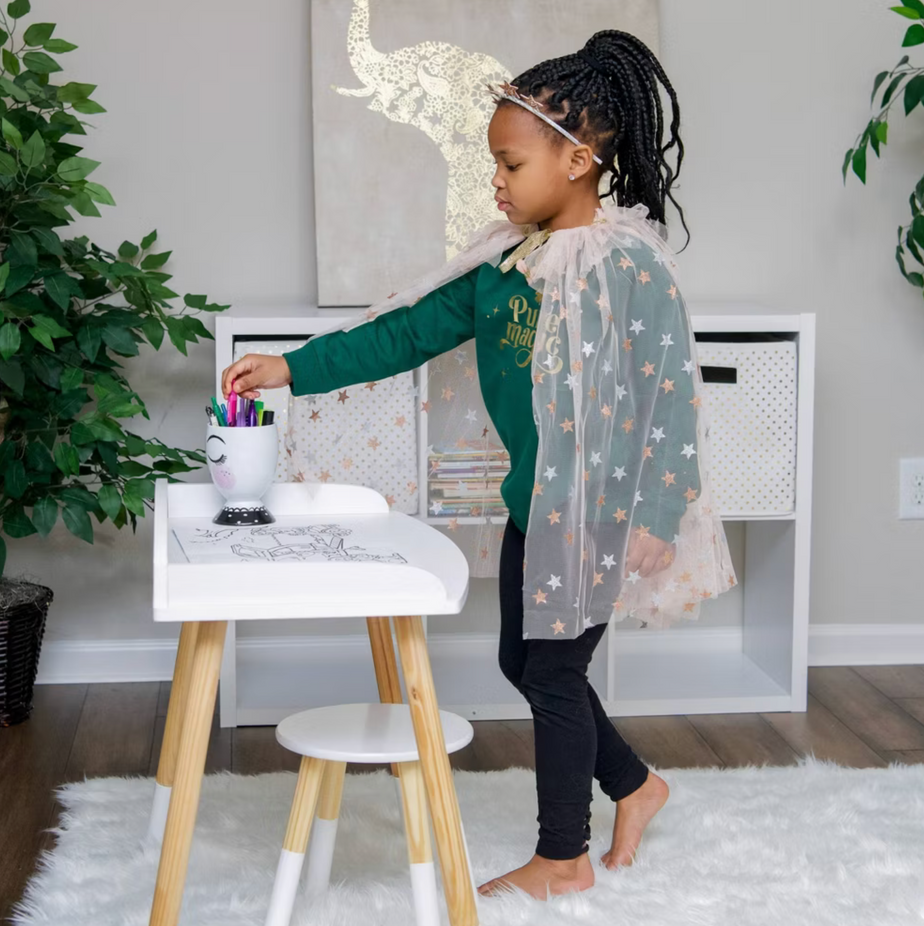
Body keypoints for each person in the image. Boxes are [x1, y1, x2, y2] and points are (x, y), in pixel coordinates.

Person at [222, 30, 737, 900]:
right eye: (494, 162)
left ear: (577, 160)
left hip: (602, 509)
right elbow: (405, 333)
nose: (495, 180)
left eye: (510, 163)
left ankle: (563, 858)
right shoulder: (504, 265)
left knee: (555, 673)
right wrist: (291, 368)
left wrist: (656, 513)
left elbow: (672, 398)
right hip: (537, 503)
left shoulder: (629, 268)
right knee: (522, 663)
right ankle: (636, 785)